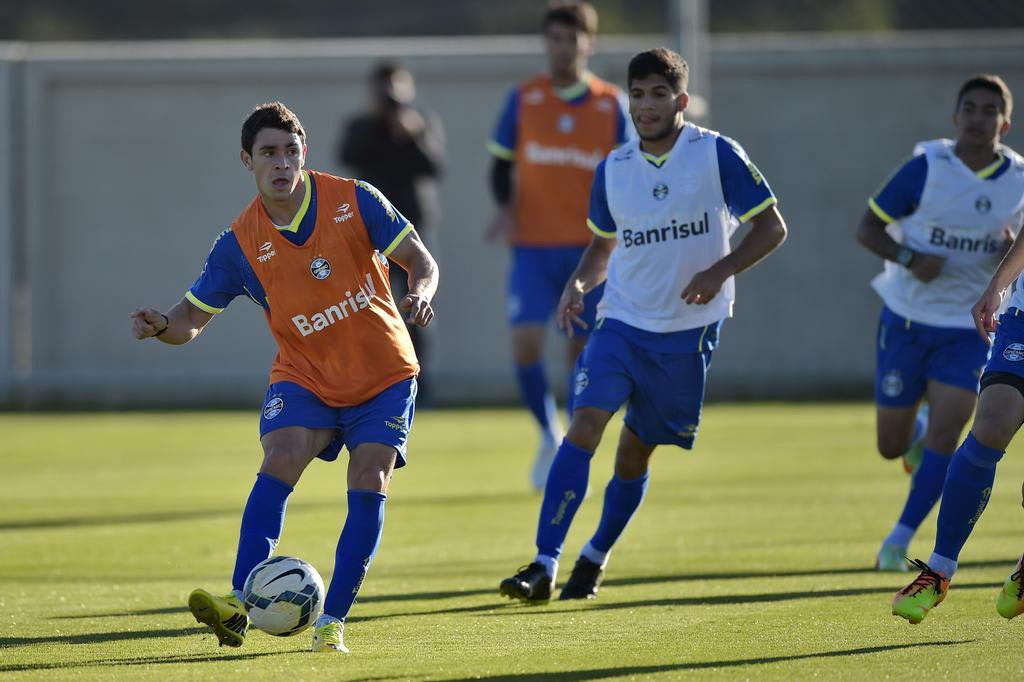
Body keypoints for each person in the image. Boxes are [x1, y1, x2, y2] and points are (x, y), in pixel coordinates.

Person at [130, 102, 439, 652]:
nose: (281, 163)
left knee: (370, 477)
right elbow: (189, 322)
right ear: (247, 160)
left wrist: (418, 291)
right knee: (281, 456)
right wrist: (160, 326)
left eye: (290, 151)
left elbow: (421, 260)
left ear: (305, 153)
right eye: (268, 153)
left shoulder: (354, 199)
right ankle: (236, 603)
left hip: (384, 372)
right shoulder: (239, 243)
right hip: (306, 375)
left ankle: (331, 623)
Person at [499, 47, 787, 603]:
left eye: (659, 94)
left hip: (688, 331)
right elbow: (603, 245)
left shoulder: (716, 154)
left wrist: (719, 269)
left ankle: (595, 555)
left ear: (680, 99)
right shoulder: (614, 168)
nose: (646, 105)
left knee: (634, 456)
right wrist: (579, 283)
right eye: (637, 94)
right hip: (621, 323)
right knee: (583, 426)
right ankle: (543, 562)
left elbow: (772, 227)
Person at [857, 75, 1021, 573]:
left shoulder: (1019, 178)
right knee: (891, 445)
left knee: (950, 435)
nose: (977, 118)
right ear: (955, 118)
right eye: (969, 108)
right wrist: (909, 256)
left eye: (989, 110)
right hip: (907, 320)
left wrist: (1009, 250)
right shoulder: (926, 167)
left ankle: (899, 538)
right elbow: (868, 227)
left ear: (1004, 123)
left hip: (972, 327)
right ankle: (917, 429)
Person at [486, 1, 631, 490]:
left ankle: (570, 449)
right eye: (555, 39)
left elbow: (628, 170)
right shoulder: (523, 99)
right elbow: (500, 166)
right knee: (525, 341)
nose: (563, 48)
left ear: (588, 43)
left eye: (572, 39)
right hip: (533, 245)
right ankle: (548, 432)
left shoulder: (611, 105)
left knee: (578, 352)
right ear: (545, 43)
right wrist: (505, 208)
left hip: (590, 250)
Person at [339, 62, 445, 402]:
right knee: (360, 305)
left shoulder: (420, 122)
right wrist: (375, 123)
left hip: (409, 229)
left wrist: (411, 134)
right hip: (365, 231)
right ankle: (366, 381)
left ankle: (419, 384)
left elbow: (433, 167)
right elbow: (348, 156)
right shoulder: (360, 125)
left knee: (414, 300)